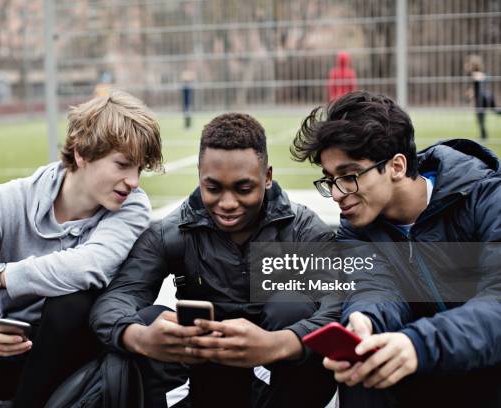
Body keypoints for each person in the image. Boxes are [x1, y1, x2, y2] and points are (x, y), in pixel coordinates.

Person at [0, 90, 163, 407]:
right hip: (10, 352)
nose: (134, 181)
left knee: (72, 301)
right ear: (82, 153)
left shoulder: (132, 207)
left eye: (139, 169)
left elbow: (86, 266)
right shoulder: (11, 200)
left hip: (73, 369)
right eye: (122, 165)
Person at [91, 113, 341, 408]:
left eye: (243, 188)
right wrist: (140, 337)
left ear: (268, 177)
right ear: (200, 175)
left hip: (283, 381)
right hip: (207, 380)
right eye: (213, 188)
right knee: (148, 320)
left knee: (291, 305)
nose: (227, 203)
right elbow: (115, 299)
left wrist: (280, 343)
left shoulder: (301, 230)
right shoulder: (172, 233)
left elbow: (339, 304)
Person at [290, 90, 501, 407]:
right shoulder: (357, 226)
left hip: (485, 368)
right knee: (361, 371)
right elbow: (375, 286)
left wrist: (418, 344)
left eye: (349, 176)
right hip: (423, 372)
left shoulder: (485, 198)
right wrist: (365, 319)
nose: (336, 193)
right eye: (330, 179)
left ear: (397, 166)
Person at [464, 54, 500, 141]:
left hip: (483, 97)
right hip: (488, 95)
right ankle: (483, 135)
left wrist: (474, 98)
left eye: (467, 64)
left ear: (472, 65)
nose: (465, 65)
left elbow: (480, 88)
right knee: (495, 111)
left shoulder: (476, 74)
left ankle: (483, 136)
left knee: (480, 116)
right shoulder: (478, 74)